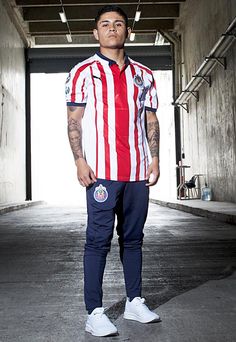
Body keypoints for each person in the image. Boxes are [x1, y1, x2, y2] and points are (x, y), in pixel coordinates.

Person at [66, 5, 161, 337]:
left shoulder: (145, 75)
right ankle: (94, 311)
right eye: (104, 24)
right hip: (102, 172)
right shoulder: (82, 72)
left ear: (126, 31)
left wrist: (154, 159)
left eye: (118, 23)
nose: (111, 28)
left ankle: (135, 302)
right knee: (97, 240)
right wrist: (80, 159)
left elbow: (151, 120)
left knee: (133, 239)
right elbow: (74, 120)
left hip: (137, 171)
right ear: (95, 33)